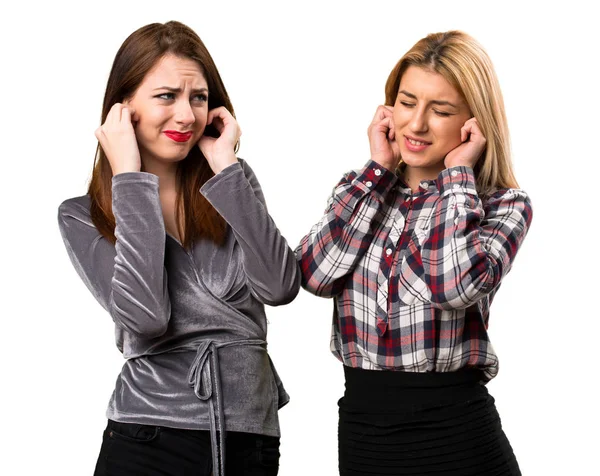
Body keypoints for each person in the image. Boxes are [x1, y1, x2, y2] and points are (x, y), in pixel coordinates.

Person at [58, 21, 299, 476]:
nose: (187, 116)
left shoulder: (233, 182)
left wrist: (226, 164)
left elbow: (280, 285)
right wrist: (129, 176)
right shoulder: (83, 214)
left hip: (251, 434)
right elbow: (146, 318)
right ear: (124, 108)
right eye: (166, 96)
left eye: (199, 97)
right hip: (147, 436)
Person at [297, 30, 532, 476]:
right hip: (364, 437)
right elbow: (312, 275)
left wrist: (457, 173)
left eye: (440, 110)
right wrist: (378, 170)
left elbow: (453, 286)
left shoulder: (502, 204)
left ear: (473, 123)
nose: (417, 124)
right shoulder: (361, 189)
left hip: (459, 439)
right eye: (407, 102)